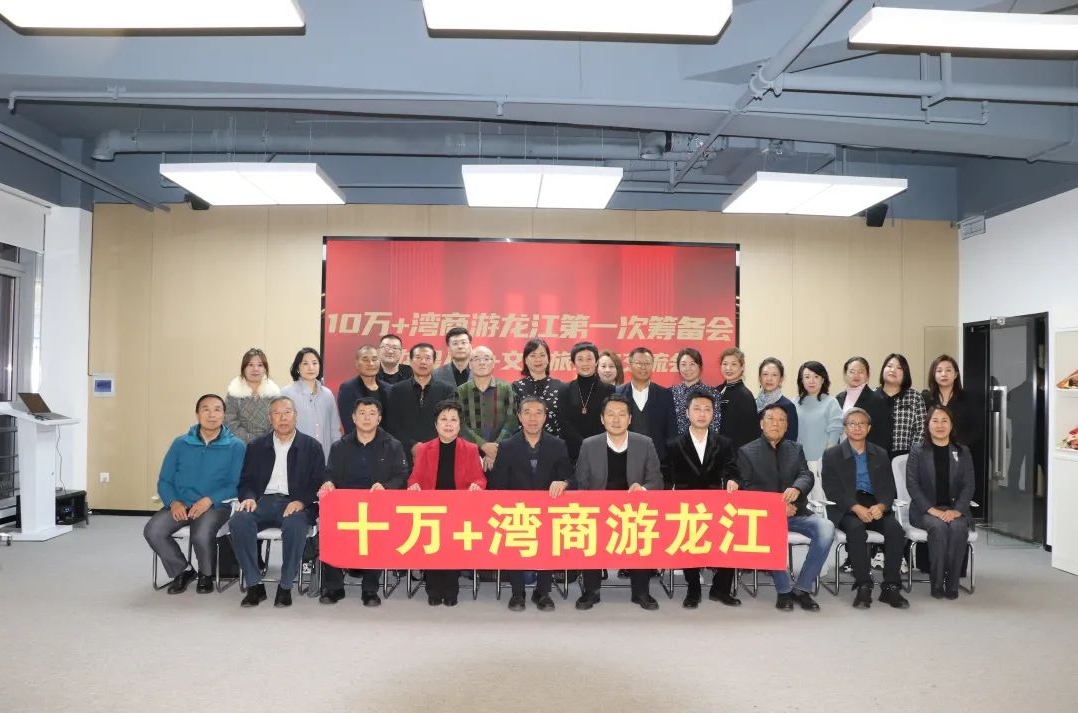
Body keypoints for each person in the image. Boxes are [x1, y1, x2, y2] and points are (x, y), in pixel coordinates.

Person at [144, 394, 245, 595]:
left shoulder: (236, 446)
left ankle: (206, 574)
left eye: (217, 409)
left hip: (216, 505)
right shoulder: (180, 443)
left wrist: (210, 500)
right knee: (153, 531)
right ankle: (183, 571)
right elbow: (165, 480)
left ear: (224, 415)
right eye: (205, 409)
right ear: (197, 414)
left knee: (201, 533)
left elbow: (237, 484)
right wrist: (173, 502)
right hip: (181, 503)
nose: (211, 414)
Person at [230, 396, 324, 608]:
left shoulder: (312, 446)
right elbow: (246, 481)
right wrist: (249, 497)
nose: (283, 418)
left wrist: (301, 501)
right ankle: (254, 584)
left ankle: (285, 585)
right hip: (262, 501)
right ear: (269, 418)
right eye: (277, 413)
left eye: (287, 412)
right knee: (238, 521)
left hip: (295, 502)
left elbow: (317, 482)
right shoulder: (256, 446)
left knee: (295, 525)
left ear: (296, 416)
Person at [739, 403, 834, 612]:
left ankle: (802, 588)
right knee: (772, 530)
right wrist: (776, 507)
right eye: (771, 419)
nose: (776, 423)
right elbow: (746, 488)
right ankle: (783, 590)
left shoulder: (795, 448)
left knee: (826, 528)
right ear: (761, 423)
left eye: (781, 420)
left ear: (787, 426)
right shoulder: (746, 451)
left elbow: (805, 475)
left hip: (796, 512)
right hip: (765, 516)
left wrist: (797, 489)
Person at [573, 394, 664, 611]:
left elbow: (657, 480)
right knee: (588, 531)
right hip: (598, 511)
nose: (616, 419)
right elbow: (581, 482)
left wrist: (642, 489)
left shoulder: (645, 443)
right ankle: (591, 591)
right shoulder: (589, 445)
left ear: (630, 419)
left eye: (622, 414)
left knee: (642, 531)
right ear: (602, 419)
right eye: (611, 414)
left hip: (634, 511)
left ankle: (641, 592)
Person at [318, 396, 409, 607]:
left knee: (377, 532)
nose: (367, 418)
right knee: (329, 529)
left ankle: (370, 590)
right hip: (345, 506)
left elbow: (402, 475)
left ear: (379, 418)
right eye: (362, 413)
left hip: (377, 505)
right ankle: (334, 587)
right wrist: (329, 482)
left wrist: (386, 486)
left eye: (372, 414)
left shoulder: (392, 445)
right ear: (353, 417)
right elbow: (330, 473)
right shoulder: (340, 446)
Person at [488, 396, 574, 612]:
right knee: (514, 539)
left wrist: (563, 482)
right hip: (517, 512)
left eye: (538, 413)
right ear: (519, 417)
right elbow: (497, 484)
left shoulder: (558, 445)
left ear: (545, 417)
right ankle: (517, 592)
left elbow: (571, 477)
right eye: (527, 412)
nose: (532, 418)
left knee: (549, 541)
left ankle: (543, 592)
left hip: (548, 511)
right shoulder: (507, 446)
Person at [821, 408, 910, 609]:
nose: (857, 427)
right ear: (845, 428)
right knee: (856, 529)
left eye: (862, 424)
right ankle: (863, 585)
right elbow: (831, 489)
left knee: (896, 530)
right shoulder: (832, 454)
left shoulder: (880, 453)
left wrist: (882, 505)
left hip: (875, 503)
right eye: (852, 423)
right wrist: (855, 507)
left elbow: (888, 487)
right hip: (847, 505)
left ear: (869, 428)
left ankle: (891, 587)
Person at [665, 389, 741, 609]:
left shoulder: (724, 443)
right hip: (686, 508)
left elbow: (732, 470)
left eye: (707, 409)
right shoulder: (673, 444)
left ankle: (721, 589)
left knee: (731, 537)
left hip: (716, 507)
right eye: (697, 409)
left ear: (713, 414)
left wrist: (733, 480)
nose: (702, 414)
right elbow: (666, 476)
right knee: (689, 541)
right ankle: (693, 589)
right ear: (687, 412)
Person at [407, 400, 487, 606]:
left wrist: (477, 485)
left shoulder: (471, 449)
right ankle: (433, 590)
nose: (448, 424)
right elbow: (414, 477)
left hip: (459, 509)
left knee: (452, 550)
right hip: (431, 509)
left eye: (453, 420)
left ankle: (451, 590)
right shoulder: (424, 449)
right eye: (444, 419)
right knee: (432, 548)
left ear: (460, 425)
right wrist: (413, 485)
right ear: (436, 424)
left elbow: (480, 478)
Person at [906, 405, 975, 599]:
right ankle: (936, 583)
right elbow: (912, 485)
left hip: (955, 509)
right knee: (939, 527)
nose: (940, 425)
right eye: (935, 421)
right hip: (925, 510)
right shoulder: (918, 451)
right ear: (928, 425)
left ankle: (952, 583)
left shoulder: (962, 451)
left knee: (958, 527)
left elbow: (969, 485)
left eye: (945, 421)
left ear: (951, 425)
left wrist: (957, 510)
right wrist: (932, 510)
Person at [385, 343, 456, 464]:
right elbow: (392, 424)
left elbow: (449, 422)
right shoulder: (397, 390)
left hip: (438, 453)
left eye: (427, 358)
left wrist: (428, 447)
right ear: (410, 361)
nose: (423, 362)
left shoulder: (447, 390)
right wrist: (412, 446)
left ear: (434, 362)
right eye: (418, 357)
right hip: (403, 455)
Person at [616, 347, 677, 484]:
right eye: (639, 363)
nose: (643, 367)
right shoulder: (617, 393)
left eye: (647, 363)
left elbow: (672, 431)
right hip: (623, 462)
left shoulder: (665, 394)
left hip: (657, 463)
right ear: (630, 365)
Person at [456, 345, 519, 471]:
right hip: (469, 455)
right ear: (470, 364)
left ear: (493, 363)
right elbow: (459, 423)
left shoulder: (506, 388)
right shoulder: (460, 391)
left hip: (502, 454)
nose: (482, 362)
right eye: (476, 359)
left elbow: (512, 421)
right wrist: (483, 445)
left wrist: (495, 447)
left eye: (486, 358)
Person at [280, 347, 341, 464]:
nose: (311, 367)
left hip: (325, 457)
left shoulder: (327, 394)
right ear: (297, 367)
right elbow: (281, 427)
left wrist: (336, 455)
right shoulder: (287, 393)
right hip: (295, 457)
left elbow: (335, 429)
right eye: (305, 363)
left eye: (314, 363)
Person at [558, 341, 615, 463]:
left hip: (601, 450)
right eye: (580, 359)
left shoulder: (609, 390)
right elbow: (564, 422)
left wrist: (593, 444)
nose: (585, 363)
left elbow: (609, 420)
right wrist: (583, 443)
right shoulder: (564, 389)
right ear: (573, 363)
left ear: (596, 362)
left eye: (589, 359)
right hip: (572, 452)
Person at [834, 356, 892, 453]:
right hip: (841, 453)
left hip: (867, 454)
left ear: (867, 375)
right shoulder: (838, 399)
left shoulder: (878, 400)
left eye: (860, 372)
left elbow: (883, 435)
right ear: (845, 375)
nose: (856, 375)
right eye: (852, 371)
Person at [224, 348, 281, 443]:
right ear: (243, 368)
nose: (255, 369)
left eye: (260, 365)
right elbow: (230, 422)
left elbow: (279, 420)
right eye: (250, 365)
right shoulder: (234, 394)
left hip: (270, 444)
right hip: (241, 445)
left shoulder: (274, 394)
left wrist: (267, 440)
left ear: (265, 369)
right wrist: (252, 440)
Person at [512, 338, 565, 438]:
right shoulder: (516, 387)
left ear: (548, 359)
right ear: (525, 360)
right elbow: (512, 421)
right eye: (533, 355)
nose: (538, 359)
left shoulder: (560, 387)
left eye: (542, 355)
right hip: (523, 442)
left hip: (554, 442)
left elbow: (565, 421)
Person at [794, 360, 843, 465]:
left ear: (823, 379)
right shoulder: (794, 403)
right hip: (798, 461)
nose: (811, 381)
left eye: (816, 376)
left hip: (822, 461)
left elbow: (835, 432)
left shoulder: (831, 402)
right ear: (802, 380)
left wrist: (826, 459)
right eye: (807, 377)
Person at [879, 352, 926, 458]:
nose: (893, 370)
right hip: (875, 456)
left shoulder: (915, 397)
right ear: (883, 370)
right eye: (889, 366)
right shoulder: (872, 396)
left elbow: (921, 430)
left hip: (904, 457)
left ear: (905, 374)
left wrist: (913, 456)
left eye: (899, 368)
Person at [336, 345, 390, 429]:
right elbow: (349, 423)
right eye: (365, 360)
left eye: (374, 359)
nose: (371, 363)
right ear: (357, 364)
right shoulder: (347, 389)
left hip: (387, 437)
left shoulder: (388, 388)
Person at [670, 347, 719, 436]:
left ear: (700, 366)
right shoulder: (671, 392)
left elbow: (714, 426)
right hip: (675, 443)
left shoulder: (712, 393)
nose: (687, 368)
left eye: (692, 364)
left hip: (702, 442)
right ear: (678, 367)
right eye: (683, 364)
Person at [717, 347, 758, 450]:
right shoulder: (717, 390)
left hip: (734, 454)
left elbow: (748, 434)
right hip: (717, 451)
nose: (728, 368)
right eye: (725, 364)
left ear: (742, 367)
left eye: (734, 364)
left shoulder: (745, 396)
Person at [756, 357, 799, 442]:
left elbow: (791, 441)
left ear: (781, 379)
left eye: (774, 375)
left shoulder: (788, 406)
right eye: (765, 374)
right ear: (760, 378)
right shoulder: (753, 403)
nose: (769, 379)